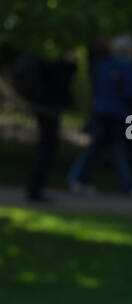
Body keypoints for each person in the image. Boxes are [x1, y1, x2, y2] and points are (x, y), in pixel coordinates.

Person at [67, 35, 132, 197]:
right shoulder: (127, 66)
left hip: (102, 113)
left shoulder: (103, 65)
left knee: (96, 149)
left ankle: (80, 181)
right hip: (127, 116)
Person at [13, 49, 78, 203]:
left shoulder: (43, 57)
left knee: (47, 147)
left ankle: (35, 188)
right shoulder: (52, 60)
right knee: (48, 147)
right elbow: (60, 81)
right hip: (48, 108)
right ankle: (34, 189)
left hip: (44, 107)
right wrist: (69, 65)